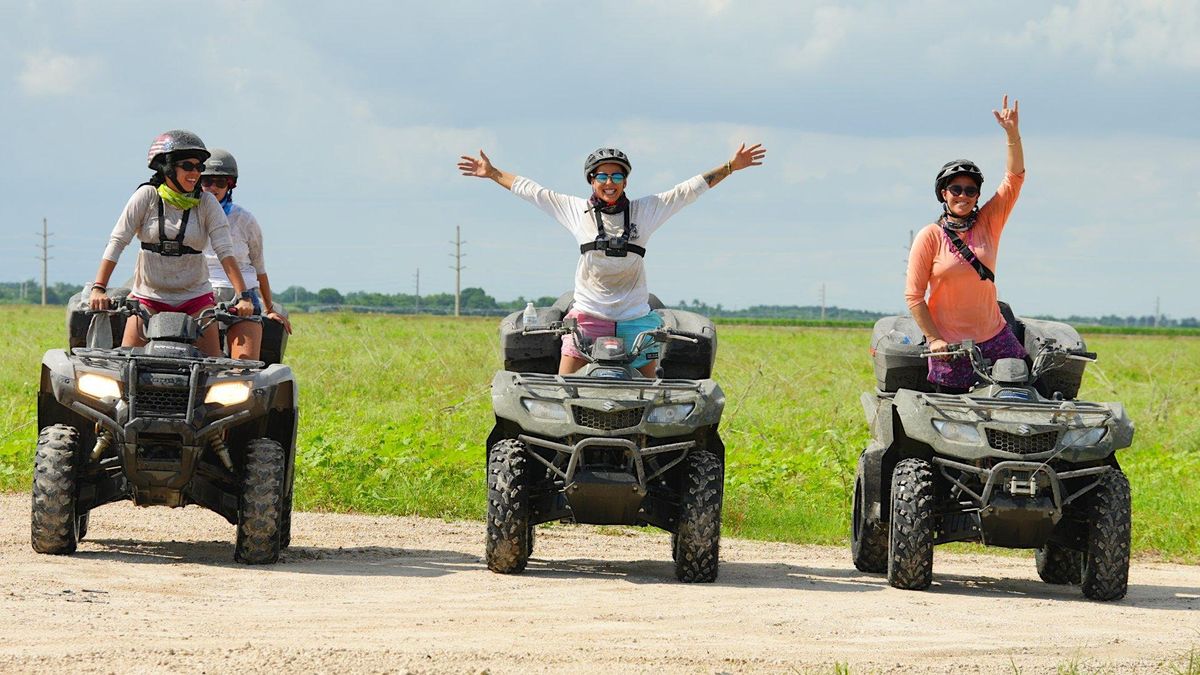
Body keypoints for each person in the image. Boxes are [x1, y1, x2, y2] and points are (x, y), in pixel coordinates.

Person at [459, 143, 766, 377]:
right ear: (592, 180)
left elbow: (686, 191)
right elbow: (533, 191)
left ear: (625, 182)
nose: (610, 181)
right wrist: (493, 173)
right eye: (602, 175)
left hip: (636, 319)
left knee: (651, 395)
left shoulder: (647, 211)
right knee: (563, 389)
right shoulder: (575, 210)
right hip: (588, 318)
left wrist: (730, 166)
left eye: (617, 175)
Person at [89, 130, 254, 357]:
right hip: (148, 298)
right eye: (188, 166)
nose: (195, 173)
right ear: (167, 167)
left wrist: (243, 297)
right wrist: (98, 289)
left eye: (199, 167)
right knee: (126, 366)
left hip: (195, 299)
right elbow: (117, 242)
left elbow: (225, 252)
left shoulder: (206, 203)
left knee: (213, 370)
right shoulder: (146, 197)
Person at [905, 95, 1026, 391]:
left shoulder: (989, 223)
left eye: (970, 190)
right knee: (954, 415)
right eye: (955, 189)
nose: (963, 195)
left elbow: (1014, 179)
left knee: (1022, 396)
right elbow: (914, 296)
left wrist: (1012, 134)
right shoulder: (930, 236)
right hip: (950, 345)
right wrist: (934, 340)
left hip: (995, 336)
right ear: (943, 193)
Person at [200, 148, 291, 360]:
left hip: (243, 298)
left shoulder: (245, 220)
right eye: (207, 182)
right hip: (201, 294)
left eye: (220, 182)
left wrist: (269, 308)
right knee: (202, 361)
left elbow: (259, 267)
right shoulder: (189, 217)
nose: (213, 188)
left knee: (244, 364)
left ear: (230, 185)